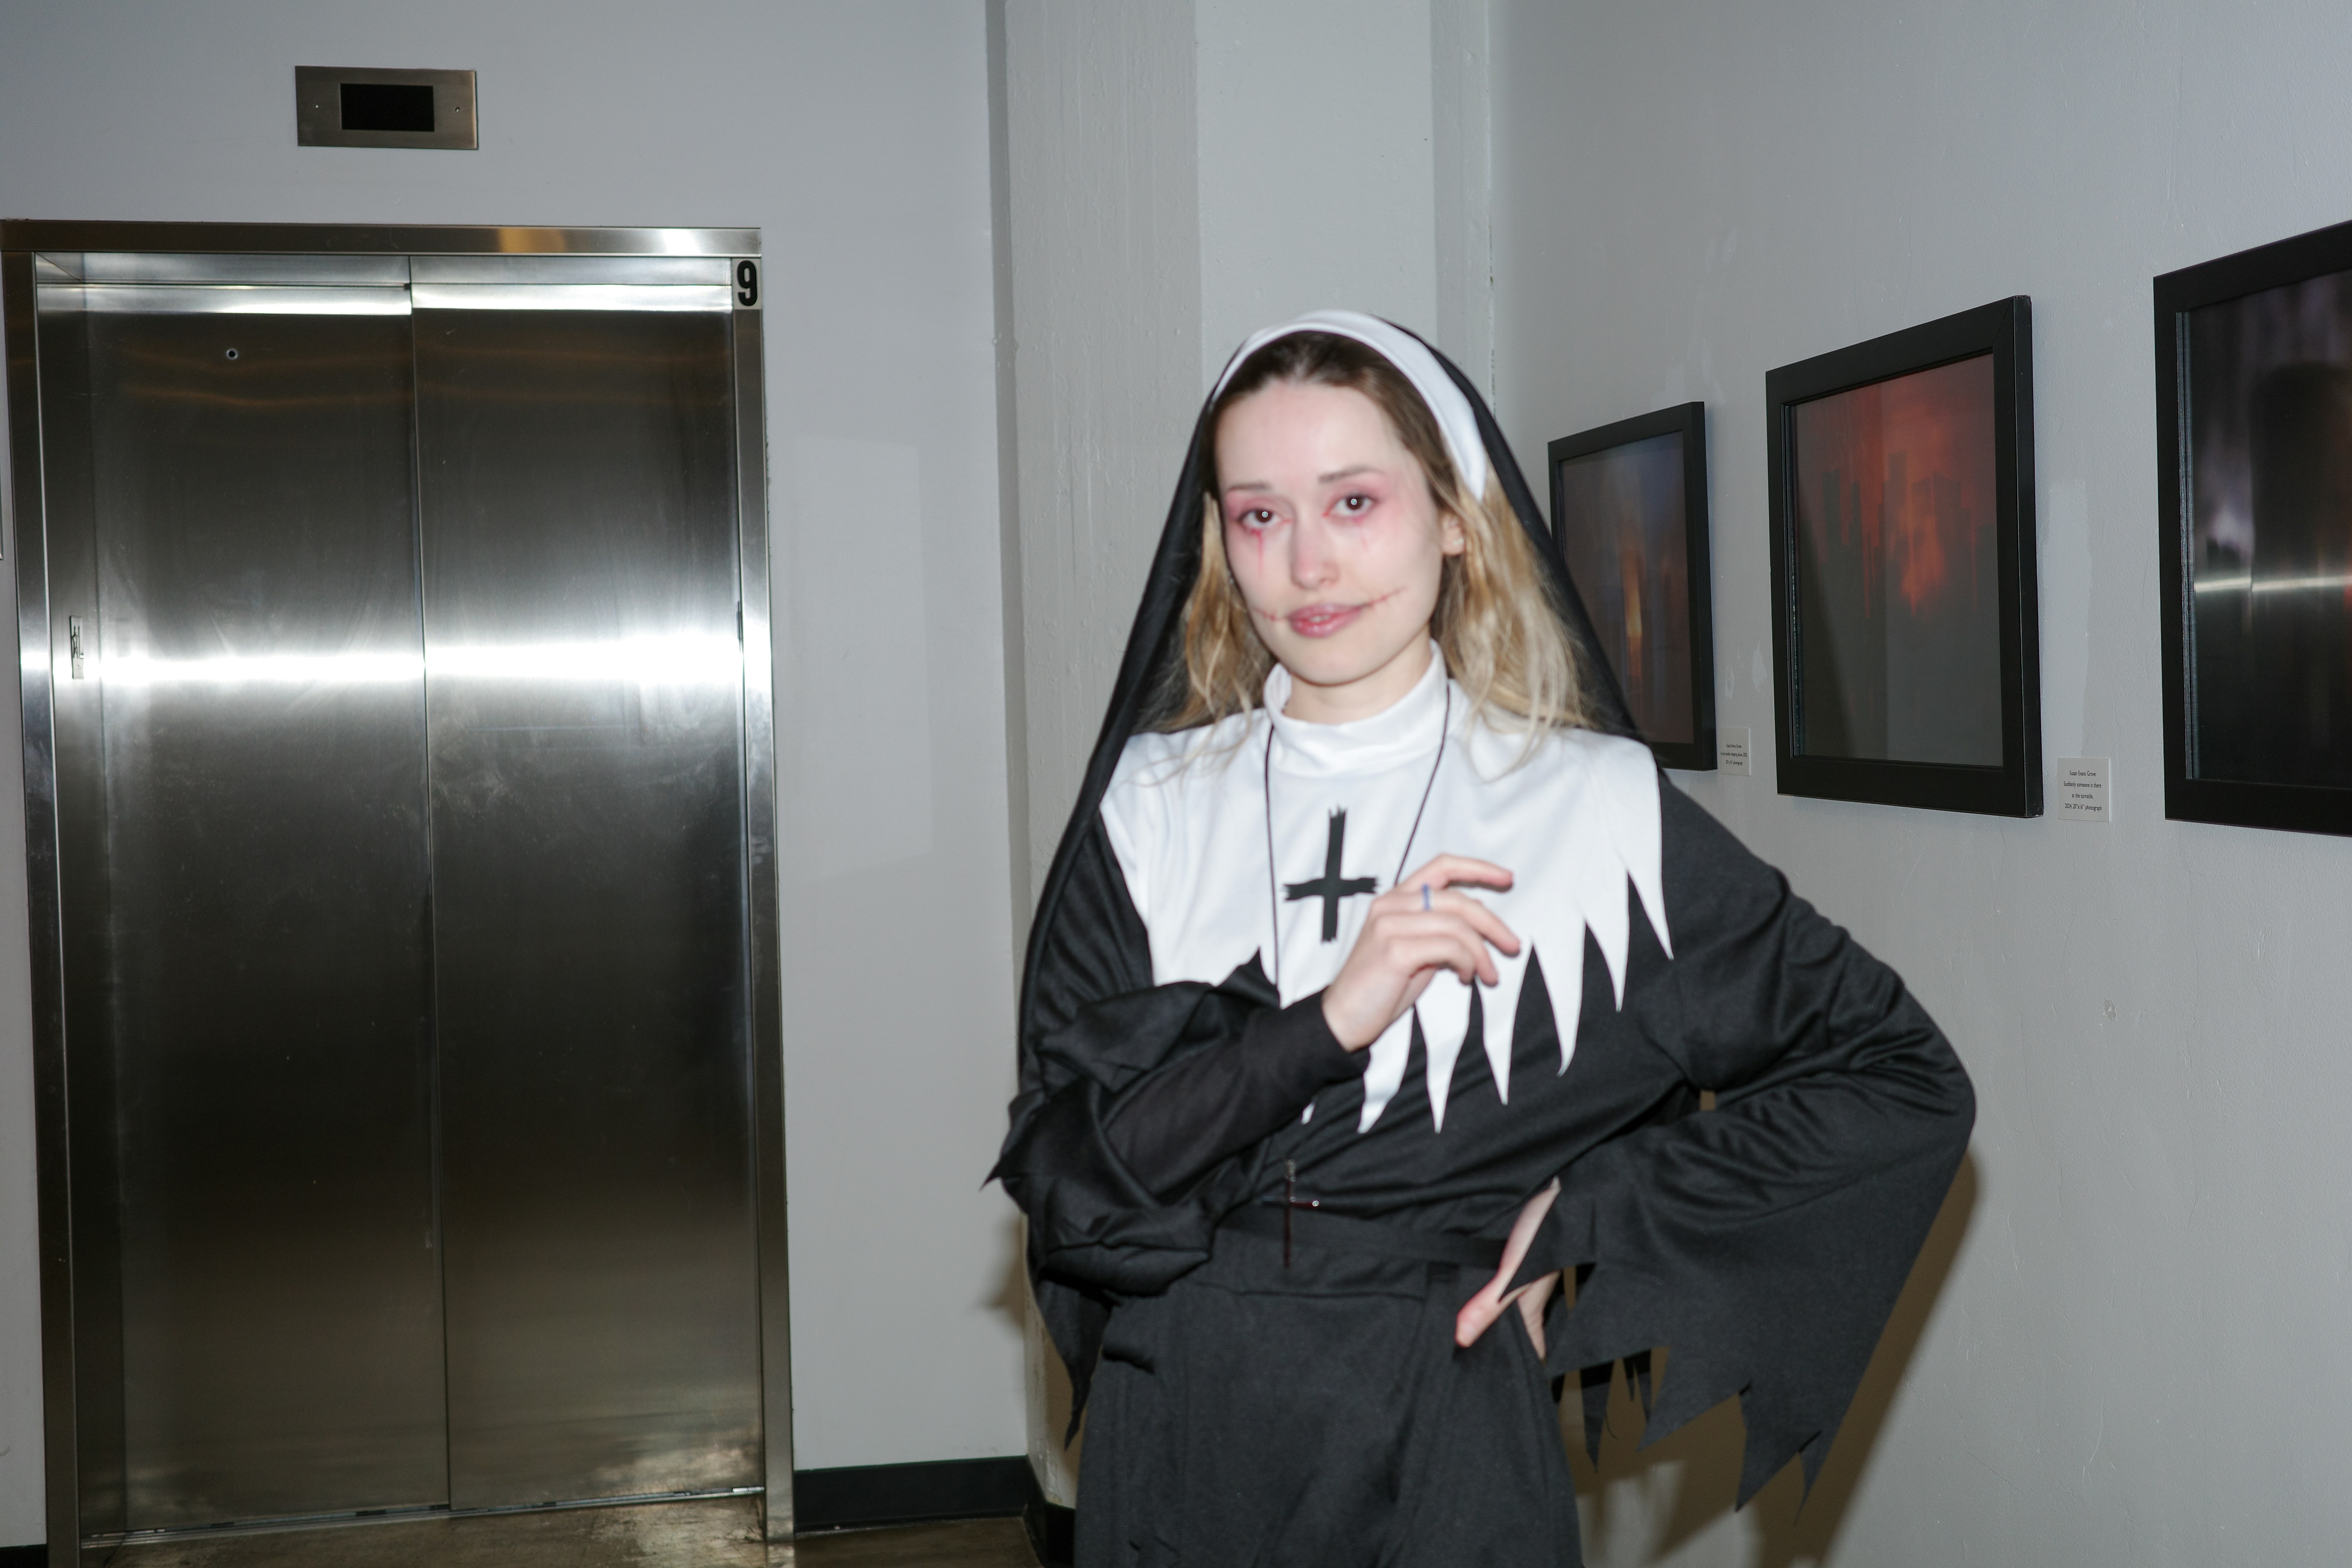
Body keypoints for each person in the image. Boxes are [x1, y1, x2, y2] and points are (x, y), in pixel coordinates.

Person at [993, 311, 1973, 1566]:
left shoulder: (1596, 815)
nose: (1306, 564)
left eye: (1354, 503)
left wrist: (1604, 1210)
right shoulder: (1149, 811)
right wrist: (1333, 1020)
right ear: (1221, 545)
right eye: (1259, 515)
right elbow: (1077, 1194)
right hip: (1188, 1419)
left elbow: (1902, 1076)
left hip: (1445, 1431)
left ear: (1456, 514)